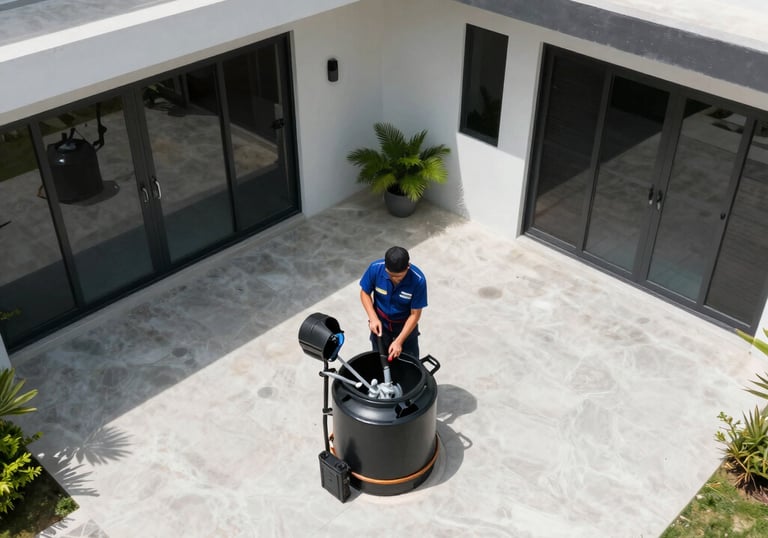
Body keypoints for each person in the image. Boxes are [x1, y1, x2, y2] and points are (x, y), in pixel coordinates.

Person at [359, 246, 427, 360]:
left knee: (410, 364)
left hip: (405, 327)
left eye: (399, 276)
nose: (395, 279)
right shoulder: (375, 268)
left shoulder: (418, 280)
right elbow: (364, 293)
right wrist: (373, 318)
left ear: (408, 267)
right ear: (386, 267)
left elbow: (415, 314)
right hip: (381, 326)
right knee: (379, 362)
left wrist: (399, 341)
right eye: (391, 275)